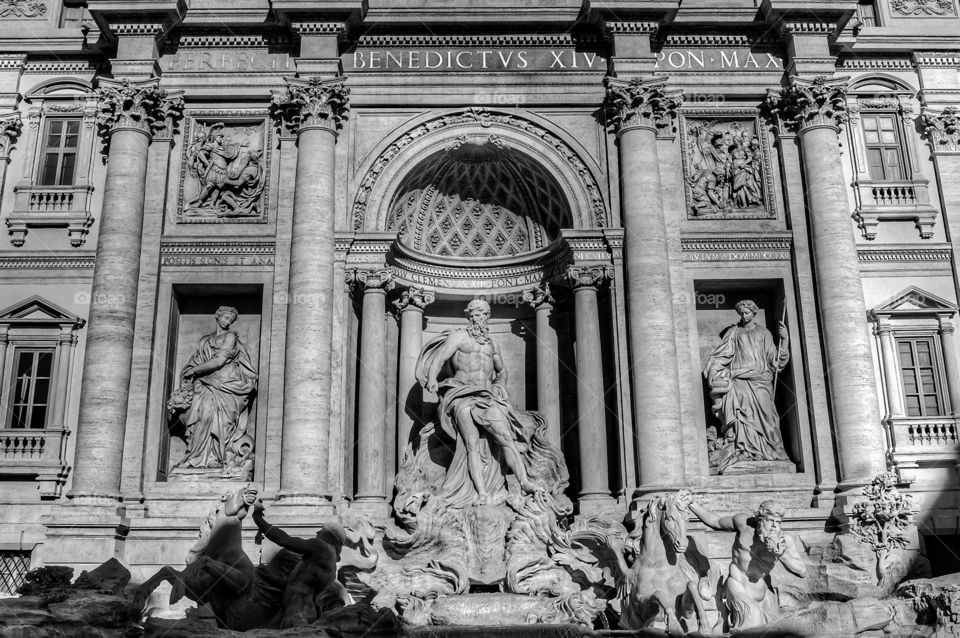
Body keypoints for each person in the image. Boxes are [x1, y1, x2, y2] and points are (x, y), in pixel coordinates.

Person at [416, 299, 539, 507]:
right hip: (461, 396)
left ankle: (524, 481)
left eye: (480, 315)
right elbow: (439, 359)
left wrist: (500, 384)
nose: (476, 318)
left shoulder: (492, 344)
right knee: (470, 446)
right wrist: (432, 379)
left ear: (487, 317)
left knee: (506, 437)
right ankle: (481, 492)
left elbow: (502, 370)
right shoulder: (459, 337)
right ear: (468, 317)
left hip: (486, 397)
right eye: (472, 315)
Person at [684, 494, 806, 630]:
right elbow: (716, 522)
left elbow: (801, 571)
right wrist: (692, 503)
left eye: (778, 522)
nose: (774, 527)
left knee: (775, 631)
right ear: (759, 520)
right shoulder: (744, 524)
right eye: (770, 521)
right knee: (753, 618)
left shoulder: (784, 541)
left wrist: (781, 554)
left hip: (763, 594)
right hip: (737, 586)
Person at [702, 299, 790, 472]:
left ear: (754, 313)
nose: (744, 316)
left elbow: (774, 361)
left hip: (760, 381)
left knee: (769, 419)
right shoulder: (734, 332)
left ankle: (771, 451)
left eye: (747, 313)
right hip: (739, 381)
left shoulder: (764, 333)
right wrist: (714, 371)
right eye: (741, 313)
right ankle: (745, 450)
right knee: (741, 417)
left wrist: (785, 339)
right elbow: (723, 355)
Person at [171, 306, 258, 471]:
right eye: (225, 318)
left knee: (220, 421)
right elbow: (195, 361)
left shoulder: (230, 337)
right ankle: (196, 456)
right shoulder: (205, 340)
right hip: (204, 384)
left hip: (226, 385)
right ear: (217, 317)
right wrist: (190, 373)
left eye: (231, 320)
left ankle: (217, 458)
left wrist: (194, 371)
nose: (228, 322)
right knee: (201, 417)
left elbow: (219, 361)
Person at [251, 501, 348, 627]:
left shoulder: (321, 547)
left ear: (329, 535)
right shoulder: (332, 561)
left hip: (297, 614)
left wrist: (258, 519)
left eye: (321, 530)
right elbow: (303, 584)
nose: (317, 533)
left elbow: (283, 539)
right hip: (303, 612)